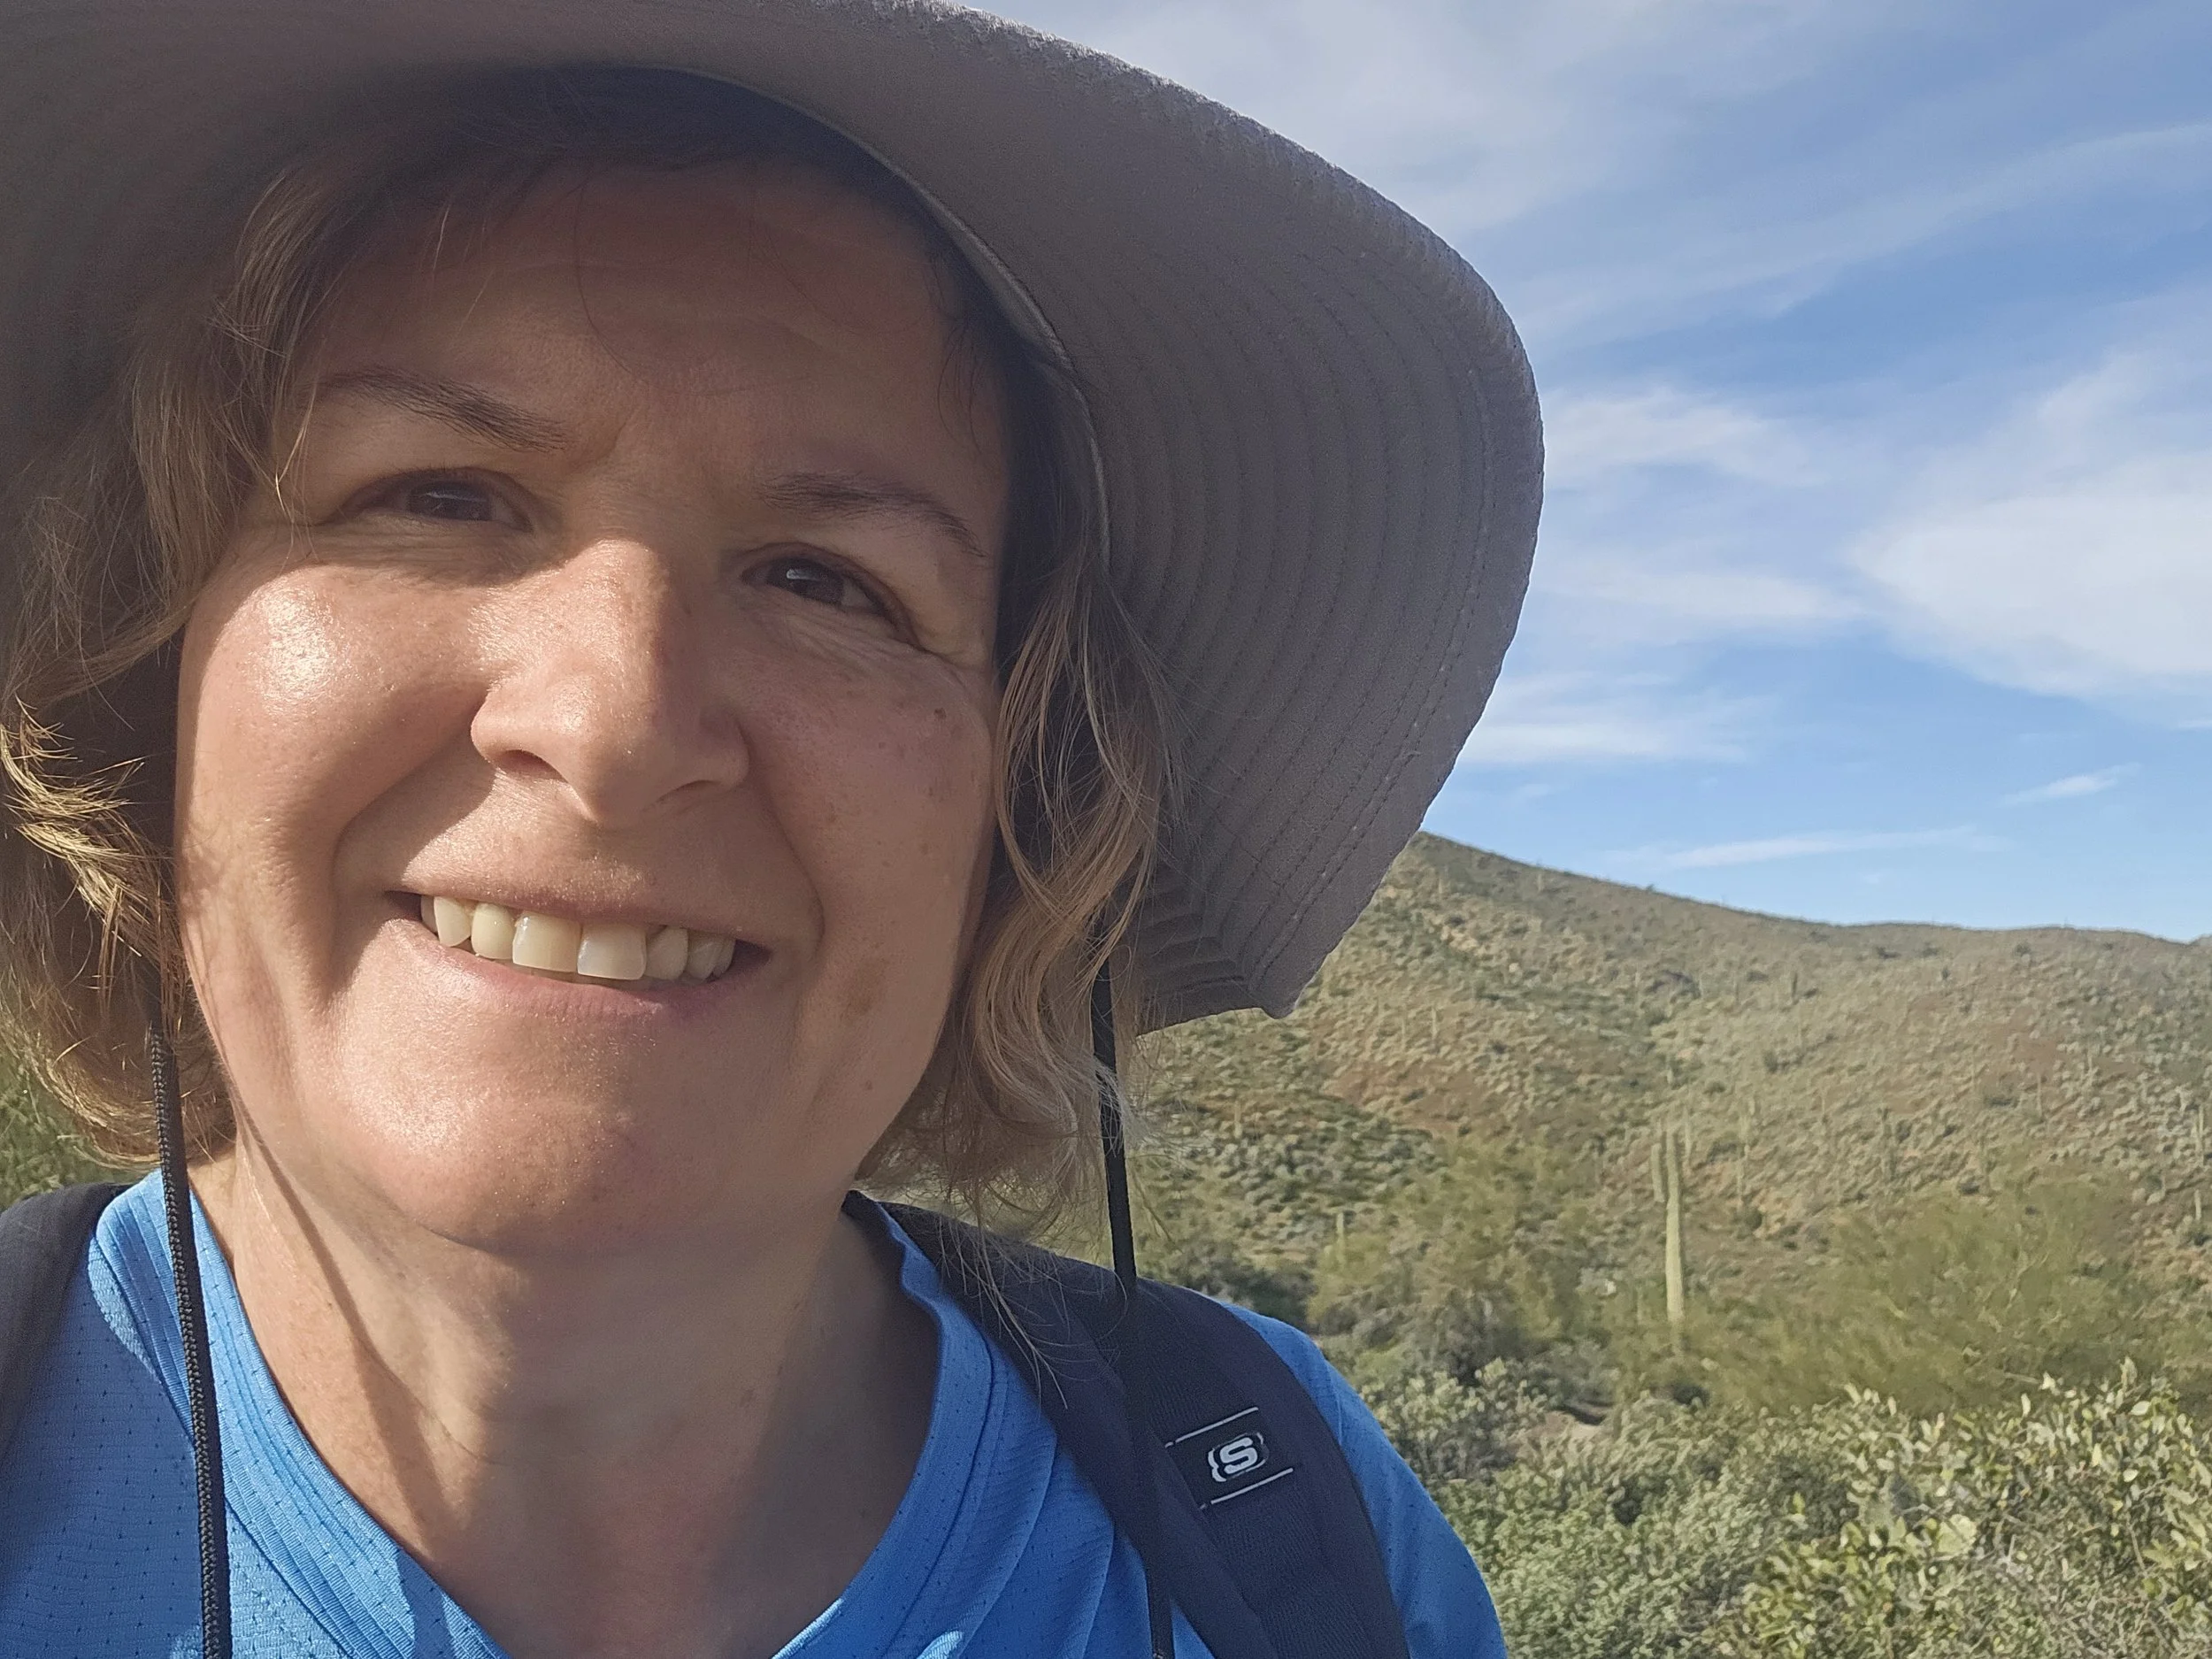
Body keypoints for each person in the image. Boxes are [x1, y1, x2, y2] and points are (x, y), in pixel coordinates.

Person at [0, 5, 1540, 1655]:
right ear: (148, 681)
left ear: (1025, 811)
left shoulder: (1294, 1523)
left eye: (828, 581)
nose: (615, 725)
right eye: (435, 494)